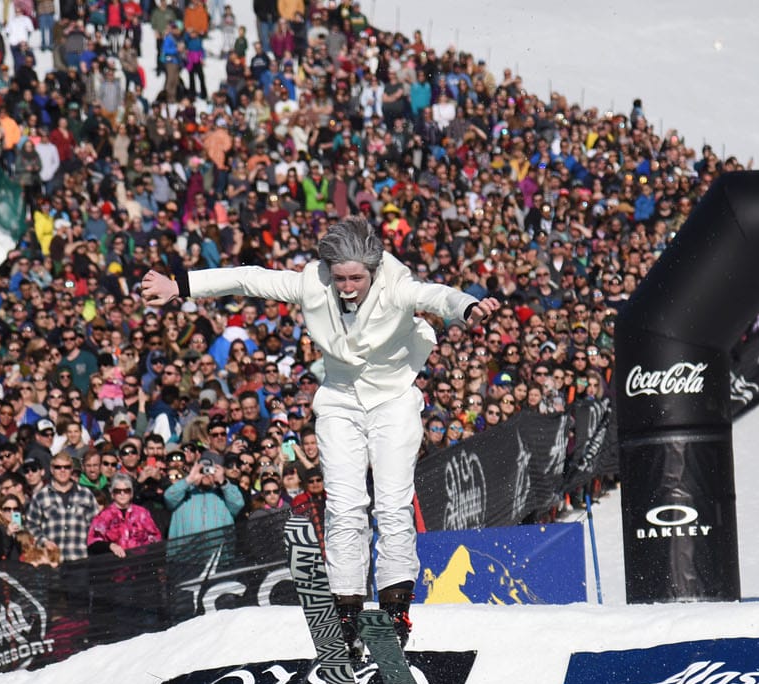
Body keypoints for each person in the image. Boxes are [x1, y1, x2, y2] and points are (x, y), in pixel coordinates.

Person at [142, 215, 500, 650]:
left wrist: (468, 305)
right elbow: (250, 279)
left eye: (356, 278)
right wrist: (180, 285)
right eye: (340, 278)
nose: (347, 286)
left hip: (393, 398)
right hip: (340, 399)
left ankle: (394, 609)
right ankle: (346, 611)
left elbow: (437, 295)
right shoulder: (313, 282)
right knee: (345, 507)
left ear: (373, 270)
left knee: (391, 504)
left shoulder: (397, 285)